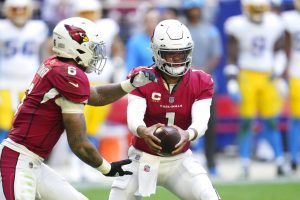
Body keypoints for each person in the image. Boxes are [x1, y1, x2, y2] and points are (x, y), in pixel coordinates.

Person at [0, 17, 156, 200]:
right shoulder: (67, 73)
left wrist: (130, 85)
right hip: (18, 162)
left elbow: (95, 95)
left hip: (31, 162)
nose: (96, 54)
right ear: (75, 46)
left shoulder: (57, 65)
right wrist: (108, 168)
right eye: (92, 48)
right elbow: (79, 143)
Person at [109, 19, 221, 200]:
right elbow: (134, 117)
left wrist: (188, 134)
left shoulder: (201, 81)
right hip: (141, 158)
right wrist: (143, 130)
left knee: (209, 197)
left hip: (180, 161)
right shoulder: (142, 77)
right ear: (157, 52)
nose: (177, 59)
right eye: (170, 54)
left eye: (182, 53)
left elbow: (201, 120)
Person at [224, 0, 288, 177]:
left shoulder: (274, 23)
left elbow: (280, 50)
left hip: (268, 75)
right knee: (246, 122)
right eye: (255, 7)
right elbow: (232, 54)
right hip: (247, 75)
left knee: (272, 121)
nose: (258, 11)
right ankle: (244, 162)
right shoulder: (237, 25)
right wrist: (232, 80)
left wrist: (279, 70)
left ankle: (280, 161)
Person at [183, 0, 222, 176]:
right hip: (183, 83)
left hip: (206, 84)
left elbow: (216, 55)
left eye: (196, 8)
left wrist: (200, 73)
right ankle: (182, 162)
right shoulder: (182, 30)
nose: (194, 11)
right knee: (182, 123)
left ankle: (212, 163)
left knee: (209, 124)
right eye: (191, 8)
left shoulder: (211, 30)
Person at [0, 0, 49, 142]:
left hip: (30, 82)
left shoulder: (38, 27)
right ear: (7, 10)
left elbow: (45, 54)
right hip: (4, 82)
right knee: (3, 123)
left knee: (28, 123)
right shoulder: (2, 27)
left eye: (23, 8)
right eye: (15, 9)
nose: (19, 12)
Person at [281, 0, 300, 172]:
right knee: (296, 119)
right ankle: (294, 156)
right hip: (296, 73)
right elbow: (283, 48)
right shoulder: (289, 19)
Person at [125, 8, 161, 72]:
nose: (152, 24)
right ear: (144, 22)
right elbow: (130, 68)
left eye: (155, 20)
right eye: (150, 21)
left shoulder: (165, 41)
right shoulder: (134, 42)